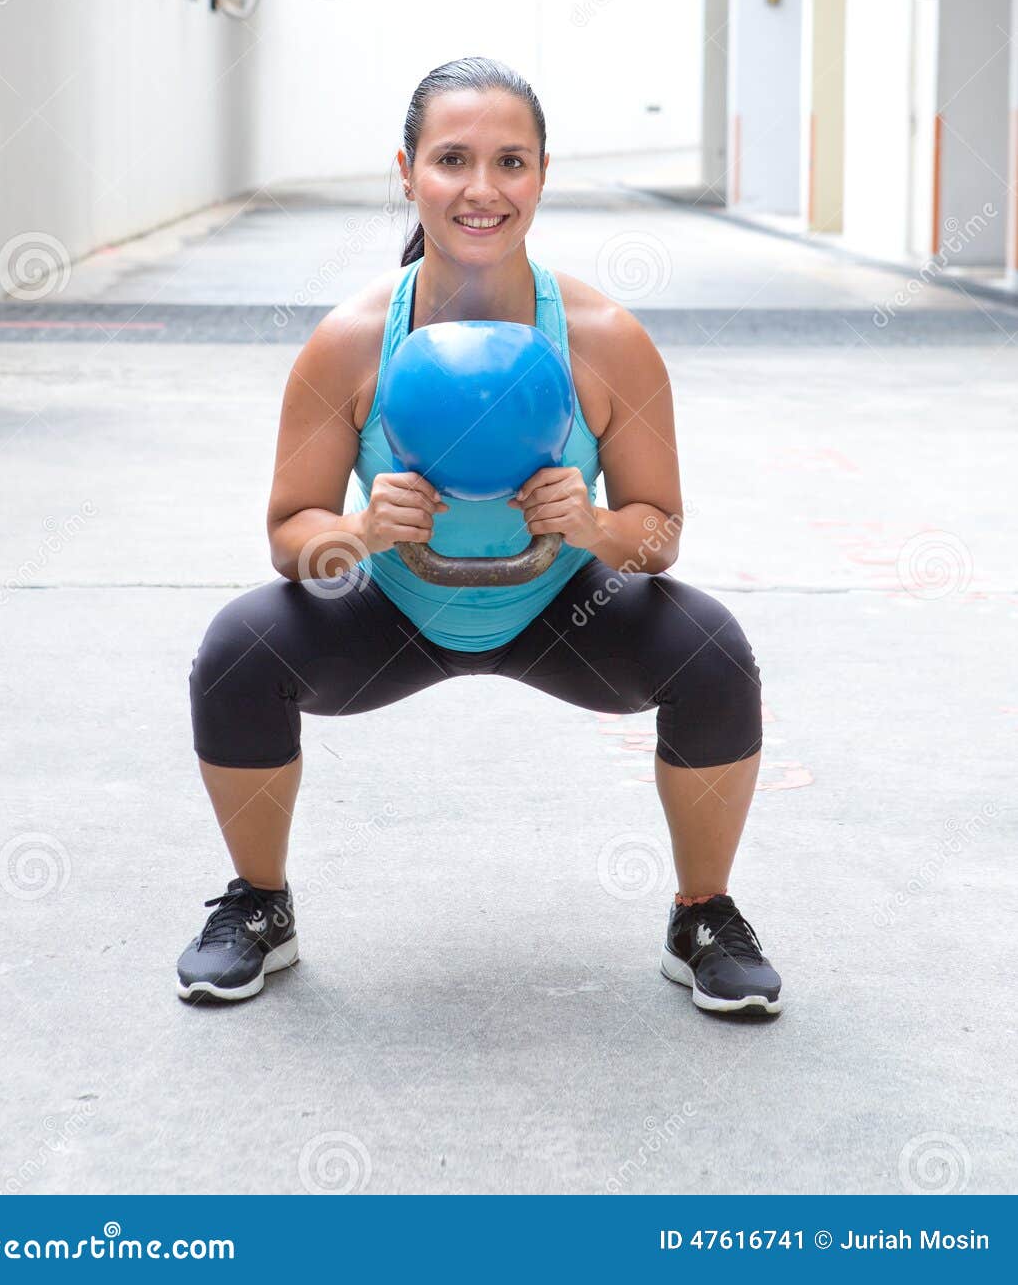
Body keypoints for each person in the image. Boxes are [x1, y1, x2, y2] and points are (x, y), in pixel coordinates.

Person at [177, 56, 781, 1016]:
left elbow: (659, 530)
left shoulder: (604, 336)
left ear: (542, 174)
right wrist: (363, 533)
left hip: (561, 604)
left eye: (511, 162)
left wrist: (588, 525)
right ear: (408, 170)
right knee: (238, 648)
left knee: (709, 649)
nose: (481, 189)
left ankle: (702, 914)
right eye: (452, 159)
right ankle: (259, 904)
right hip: (394, 608)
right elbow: (290, 536)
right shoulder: (349, 339)